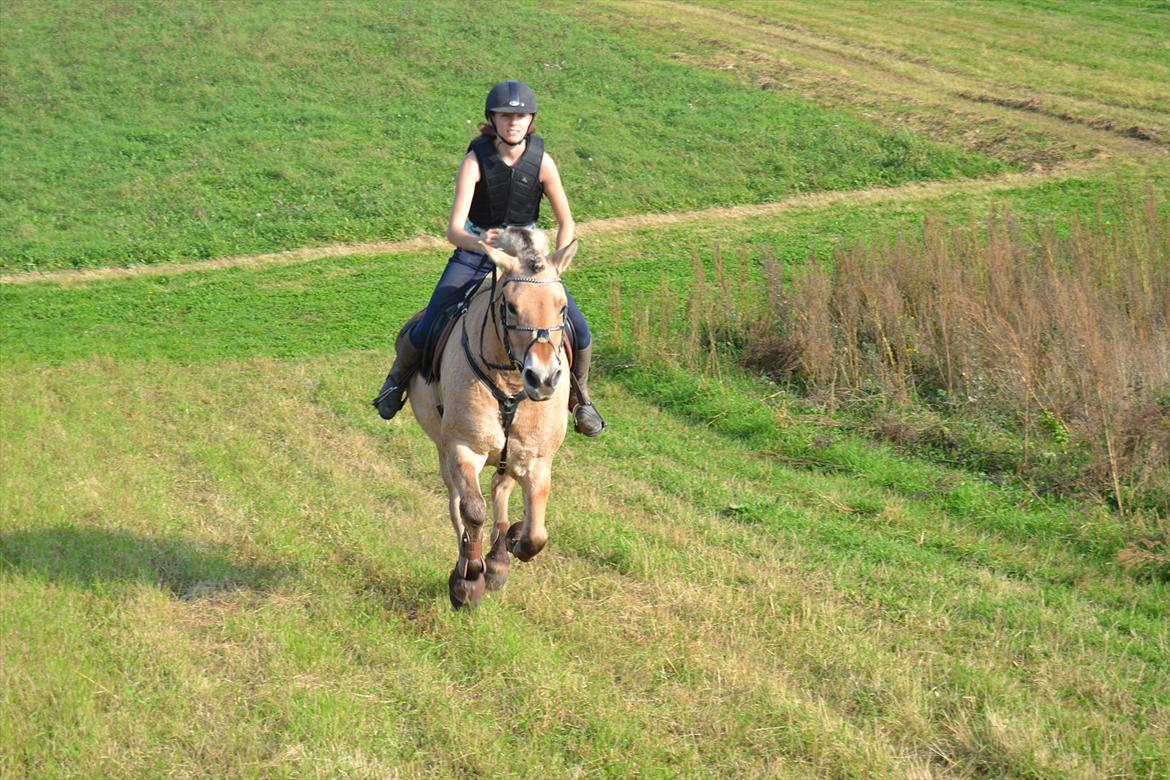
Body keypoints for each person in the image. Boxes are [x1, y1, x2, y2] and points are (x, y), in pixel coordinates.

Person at [372, 80, 605, 436]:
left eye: (521, 116)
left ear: (531, 120)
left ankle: (582, 400)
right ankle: (395, 383)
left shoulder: (542, 162)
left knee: (580, 329)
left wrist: (556, 261)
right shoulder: (474, 161)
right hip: (476, 255)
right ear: (492, 119)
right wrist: (479, 240)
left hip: (529, 262)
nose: (514, 122)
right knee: (430, 319)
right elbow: (453, 229)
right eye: (505, 115)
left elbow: (567, 220)